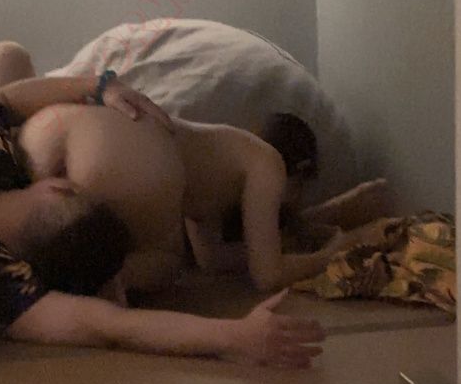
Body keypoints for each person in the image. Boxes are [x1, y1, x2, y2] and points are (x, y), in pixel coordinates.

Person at [0, 41, 326, 369]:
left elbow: (115, 325)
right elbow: (115, 324)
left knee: (9, 56)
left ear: (57, 187)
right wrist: (233, 335)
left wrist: (100, 86)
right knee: (166, 267)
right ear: (58, 187)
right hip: (58, 149)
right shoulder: (7, 286)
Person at [18, 102, 373, 295]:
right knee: (166, 264)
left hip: (66, 128)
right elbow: (268, 275)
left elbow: (211, 260)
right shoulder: (268, 164)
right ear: (301, 169)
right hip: (133, 161)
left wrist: (289, 241)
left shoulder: (217, 166)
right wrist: (333, 252)